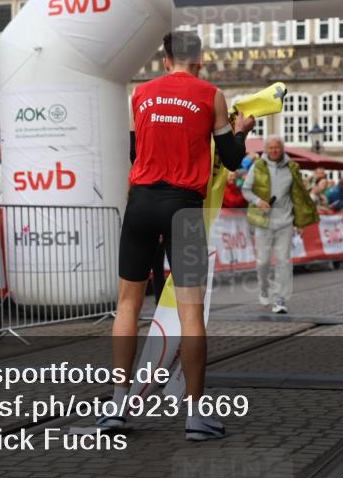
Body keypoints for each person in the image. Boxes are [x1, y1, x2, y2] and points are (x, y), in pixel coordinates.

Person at [100, 30, 254, 441]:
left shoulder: (142, 94)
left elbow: (135, 153)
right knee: (190, 311)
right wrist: (242, 129)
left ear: (166, 60)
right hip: (183, 206)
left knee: (127, 306)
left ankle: (117, 404)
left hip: (141, 203)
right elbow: (233, 159)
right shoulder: (211, 95)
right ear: (199, 61)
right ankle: (195, 416)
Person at [243, 136, 318, 314]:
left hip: (285, 221)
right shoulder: (258, 166)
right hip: (263, 220)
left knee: (284, 261)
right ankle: (263, 288)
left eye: (277, 147)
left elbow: (299, 195)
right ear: (266, 149)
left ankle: (280, 298)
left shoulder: (292, 167)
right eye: (270, 148)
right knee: (263, 261)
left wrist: (300, 219)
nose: (274, 150)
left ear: (282, 149)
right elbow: (246, 189)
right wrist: (258, 201)